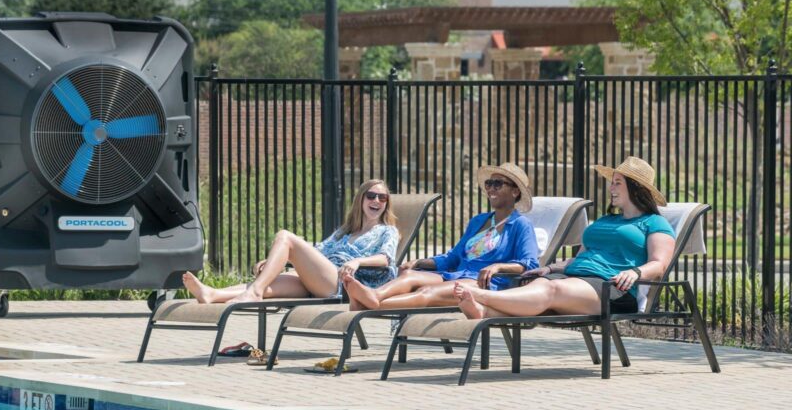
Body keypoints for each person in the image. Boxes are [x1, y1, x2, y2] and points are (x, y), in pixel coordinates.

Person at [452, 156, 676, 320]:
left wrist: (635, 272)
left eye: (617, 182)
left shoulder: (654, 223)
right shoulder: (605, 221)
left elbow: (659, 264)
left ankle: (482, 296)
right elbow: (580, 257)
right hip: (574, 278)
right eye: (612, 182)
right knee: (542, 285)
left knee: (552, 292)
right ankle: (483, 312)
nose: (611, 187)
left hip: (612, 289)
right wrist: (549, 269)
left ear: (635, 188)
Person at [343, 162, 539, 311]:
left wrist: (498, 266)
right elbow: (453, 257)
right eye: (489, 184)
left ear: (515, 192)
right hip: (457, 275)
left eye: (498, 184)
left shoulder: (520, 225)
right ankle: (375, 296)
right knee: (410, 275)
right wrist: (421, 261)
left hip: (482, 284)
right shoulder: (479, 221)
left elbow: (530, 263)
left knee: (427, 292)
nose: (491, 188)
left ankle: (371, 305)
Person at [183, 179, 399, 304]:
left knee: (285, 236)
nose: (376, 201)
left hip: (344, 283)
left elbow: (386, 258)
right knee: (269, 283)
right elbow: (318, 250)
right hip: (321, 278)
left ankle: (254, 293)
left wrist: (358, 262)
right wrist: (276, 261)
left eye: (382, 198)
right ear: (361, 199)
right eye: (371, 196)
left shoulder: (387, 231)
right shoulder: (345, 231)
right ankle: (212, 294)